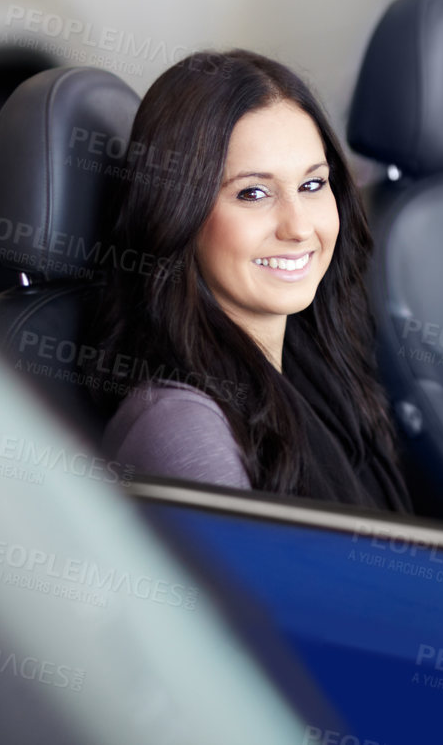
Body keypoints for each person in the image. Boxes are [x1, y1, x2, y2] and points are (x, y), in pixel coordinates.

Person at [99, 49, 410, 512]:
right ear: (176, 215)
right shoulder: (182, 427)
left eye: (312, 185)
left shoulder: (319, 361)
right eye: (253, 193)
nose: (299, 227)